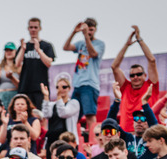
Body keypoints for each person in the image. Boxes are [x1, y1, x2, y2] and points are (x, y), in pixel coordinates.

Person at [63, 19, 105, 147]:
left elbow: (93, 53)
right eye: (87, 30)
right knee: (72, 115)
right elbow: (66, 47)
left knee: (89, 115)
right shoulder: (80, 43)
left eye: (91, 30)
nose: (89, 32)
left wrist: (86, 35)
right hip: (77, 85)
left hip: (89, 84)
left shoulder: (99, 44)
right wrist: (74, 32)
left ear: (95, 29)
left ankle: (93, 143)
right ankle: (72, 141)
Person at [111, 26, 160, 131]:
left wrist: (139, 40)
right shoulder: (125, 87)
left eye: (139, 74)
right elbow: (114, 67)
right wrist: (126, 45)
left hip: (148, 133)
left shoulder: (151, 86)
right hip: (127, 134)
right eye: (132, 75)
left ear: (145, 75)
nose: (135, 77)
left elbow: (152, 60)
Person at [15, 17, 55, 109]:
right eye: (31, 27)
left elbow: (49, 63)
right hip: (25, 87)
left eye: (35, 27)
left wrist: (38, 50)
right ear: (28, 28)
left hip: (40, 88)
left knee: (41, 113)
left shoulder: (46, 46)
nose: (33, 30)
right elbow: (17, 63)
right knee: (25, 112)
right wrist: (22, 49)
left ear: (40, 28)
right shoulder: (24, 46)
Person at [40, 74, 82, 149]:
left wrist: (59, 97)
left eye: (64, 87)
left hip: (67, 140)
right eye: (58, 87)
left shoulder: (74, 103)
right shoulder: (52, 104)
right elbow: (46, 115)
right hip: (52, 140)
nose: (61, 89)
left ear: (69, 88)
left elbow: (63, 113)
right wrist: (46, 97)